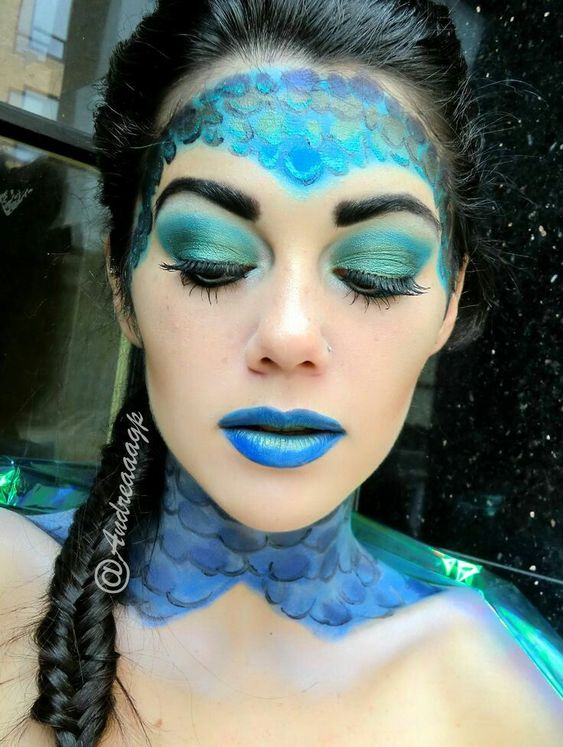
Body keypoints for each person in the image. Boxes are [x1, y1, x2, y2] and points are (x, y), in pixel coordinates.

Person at [0, 0, 561, 745]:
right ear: (120, 278)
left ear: (448, 301)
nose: (288, 335)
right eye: (210, 260)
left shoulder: (494, 700)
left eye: (375, 271)